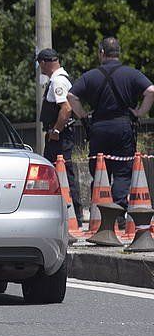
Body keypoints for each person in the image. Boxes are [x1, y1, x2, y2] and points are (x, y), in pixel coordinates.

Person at [67, 37, 154, 208]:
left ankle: (99, 213)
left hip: (98, 128)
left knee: (100, 171)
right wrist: (139, 112)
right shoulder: (132, 74)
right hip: (123, 126)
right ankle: (119, 213)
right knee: (122, 172)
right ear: (118, 53)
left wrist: (83, 115)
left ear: (101, 53)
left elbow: (71, 96)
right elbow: (151, 90)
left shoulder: (90, 76)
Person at [36, 48, 80, 217]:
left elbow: (66, 108)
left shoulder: (57, 82)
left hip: (59, 137)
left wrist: (55, 130)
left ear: (43, 63)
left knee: (59, 172)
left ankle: (73, 213)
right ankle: (69, 211)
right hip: (61, 136)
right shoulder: (61, 78)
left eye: (40, 64)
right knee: (59, 171)